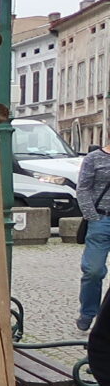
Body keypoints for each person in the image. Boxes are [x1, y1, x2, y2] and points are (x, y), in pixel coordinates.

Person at [77, 141, 110, 332]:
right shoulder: (94, 158)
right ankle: (88, 312)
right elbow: (83, 189)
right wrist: (92, 216)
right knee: (93, 271)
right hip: (101, 220)